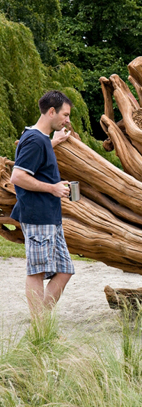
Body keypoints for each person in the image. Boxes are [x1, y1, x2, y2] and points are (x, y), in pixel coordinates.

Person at [10, 90, 75, 317]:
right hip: (37, 215)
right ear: (51, 111)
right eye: (65, 115)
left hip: (49, 217)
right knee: (36, 272)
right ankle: (40, 327)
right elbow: (17, 177)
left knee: (65, 270)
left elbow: (37, 160)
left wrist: (53, 142)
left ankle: (42, 321)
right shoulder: (36, 140)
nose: (67, 120)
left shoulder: (41, 139)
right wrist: (53, 188)